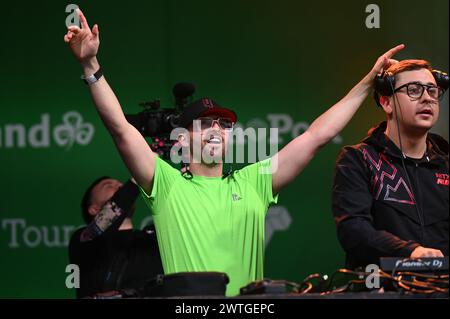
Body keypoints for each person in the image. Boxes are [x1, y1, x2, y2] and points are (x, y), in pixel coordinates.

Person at [64, 7, 404, 295]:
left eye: (223, 125)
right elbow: (120, 129)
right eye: (205, 124)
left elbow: (317, 135)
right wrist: (90, 66)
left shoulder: (253, 182)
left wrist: (367, 82)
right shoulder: (166, 184)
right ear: (181, 140)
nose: (216, 130)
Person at [332, 59, 449, 269]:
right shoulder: (359, 159)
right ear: (386, 102)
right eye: (413, 90)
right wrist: (411, 252)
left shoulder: (445, 161)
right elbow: (354, 230)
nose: (426, 98)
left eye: (432, 91)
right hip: (385, 288)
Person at [69, 177, 163, 298]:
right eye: (108, 185)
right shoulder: (83, 241)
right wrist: (139, 177)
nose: (120, 186)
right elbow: (103, 223)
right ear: (94, 209)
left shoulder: (152, 238)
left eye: (121, 185)